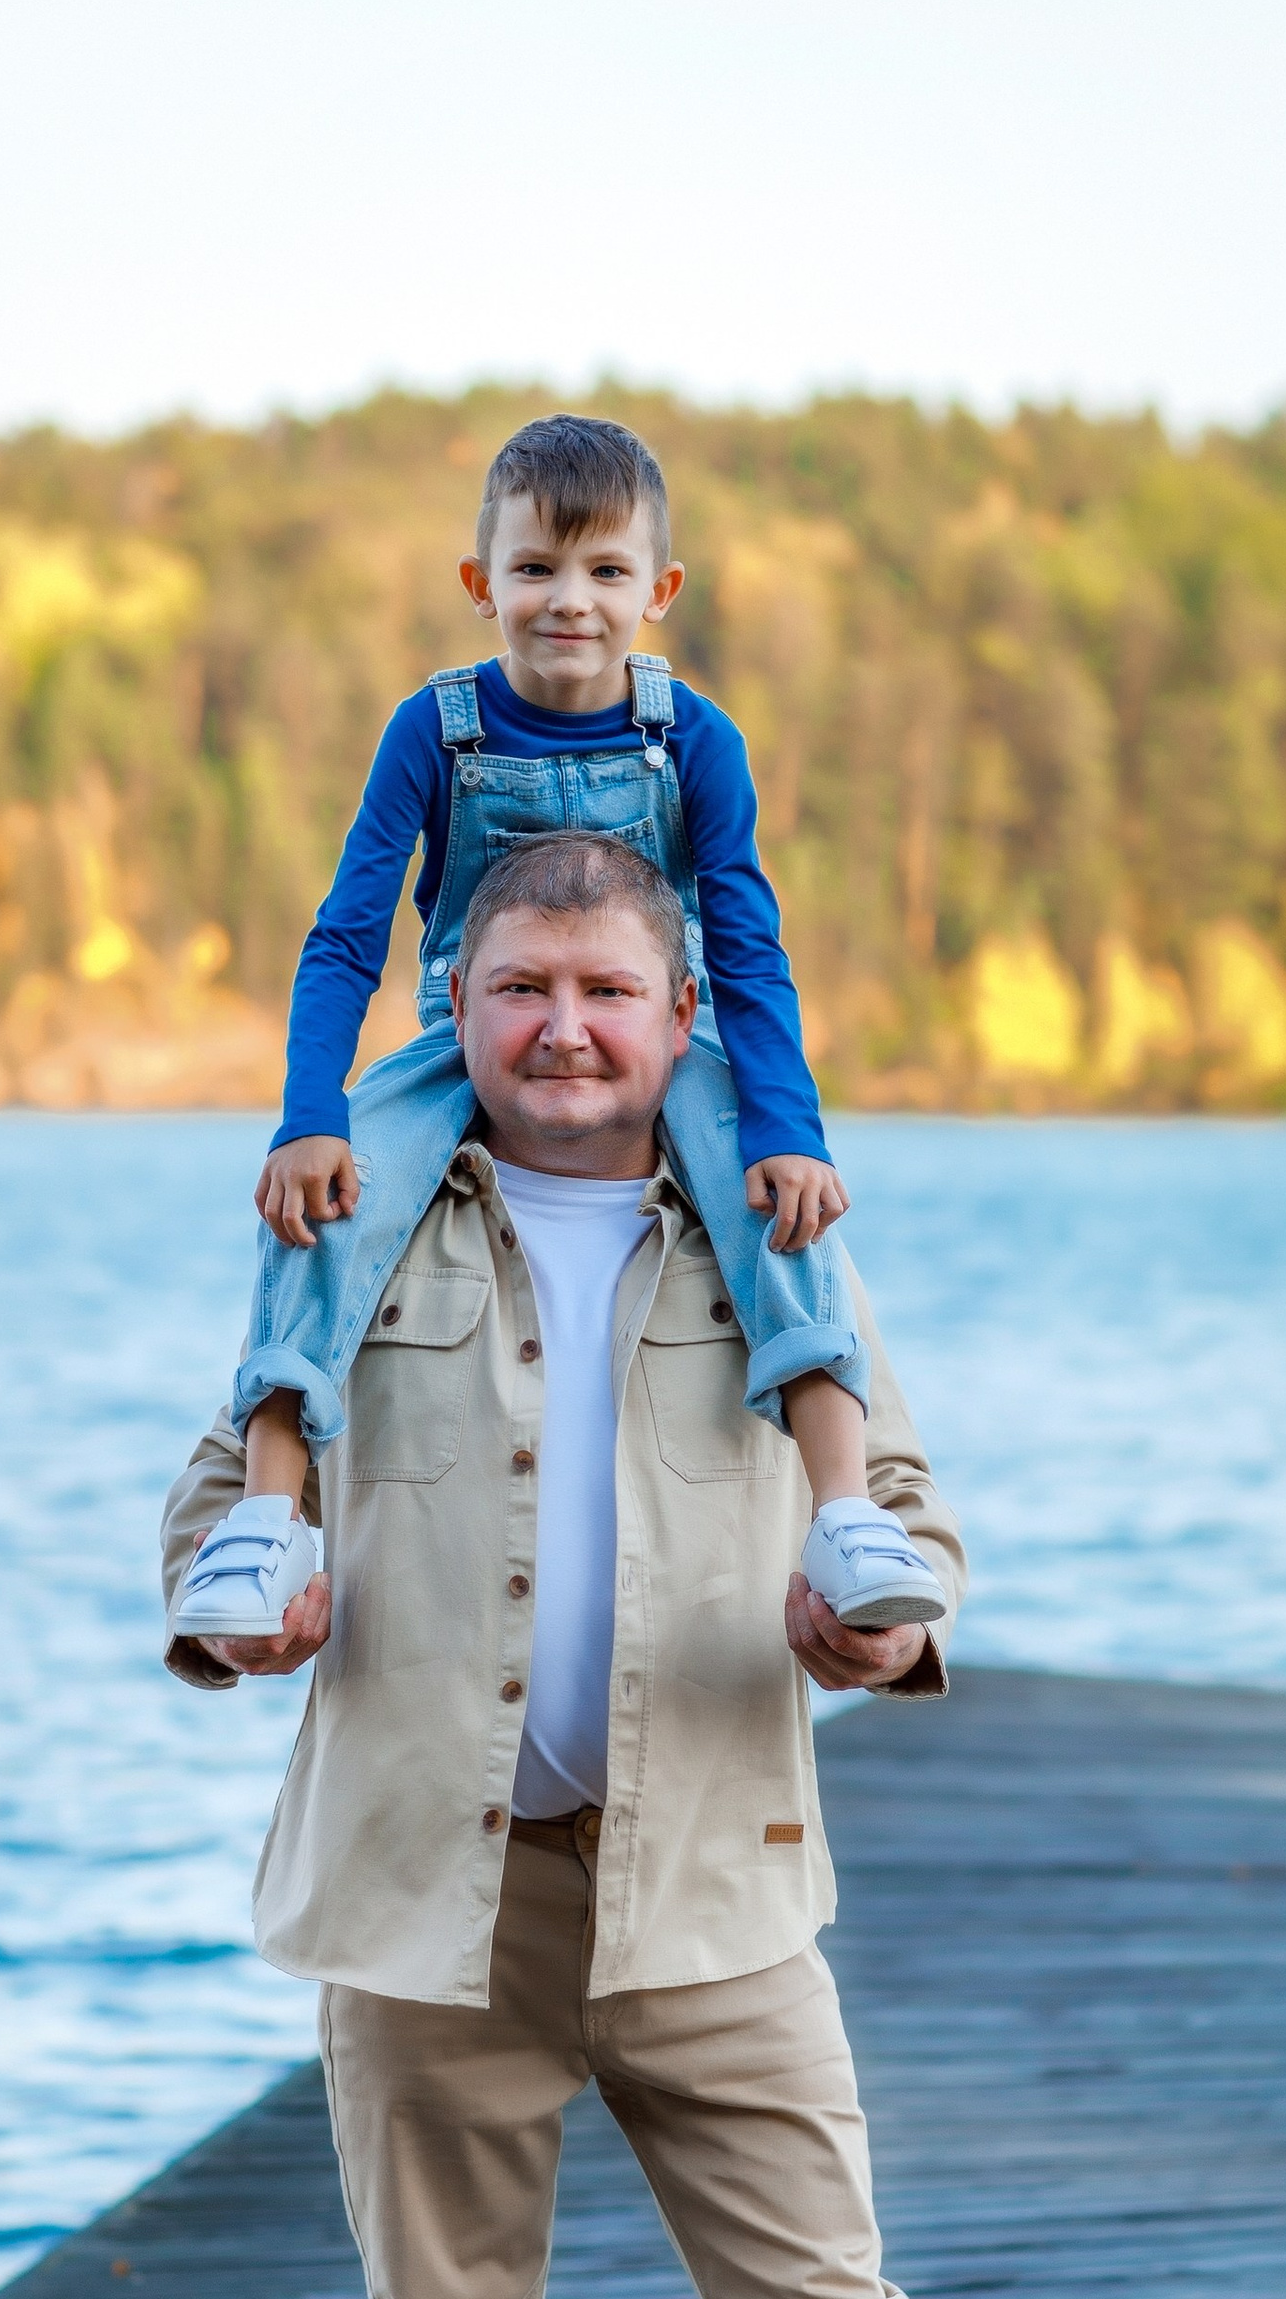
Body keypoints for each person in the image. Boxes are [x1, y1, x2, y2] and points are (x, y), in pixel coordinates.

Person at [161, 829, 1263, 2299]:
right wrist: (238, 1613)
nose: (560, 1029)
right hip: (421, 1898)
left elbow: (901, 1503)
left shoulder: (773, 1238)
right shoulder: (355, 1227)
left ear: (680, 1021)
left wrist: (889, 1618)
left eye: (603, 992)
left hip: (715, 1887)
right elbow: (222, 1493)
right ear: (450, 1018)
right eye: (513, 993)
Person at [164, 411, 947, 1655]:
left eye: (604, 572)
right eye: (534, 569)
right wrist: (310, 1112)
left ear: (659, 588)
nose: (568, 601)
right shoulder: (434, 730)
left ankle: (847, 1513)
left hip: (666, 1045)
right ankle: (264, 1521)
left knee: (775, 1210)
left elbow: (744, 943)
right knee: (329, 1197)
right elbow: (345, 935)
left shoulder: (694, 738)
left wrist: (788, 1130)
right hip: (462, 1033)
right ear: (481, 585)